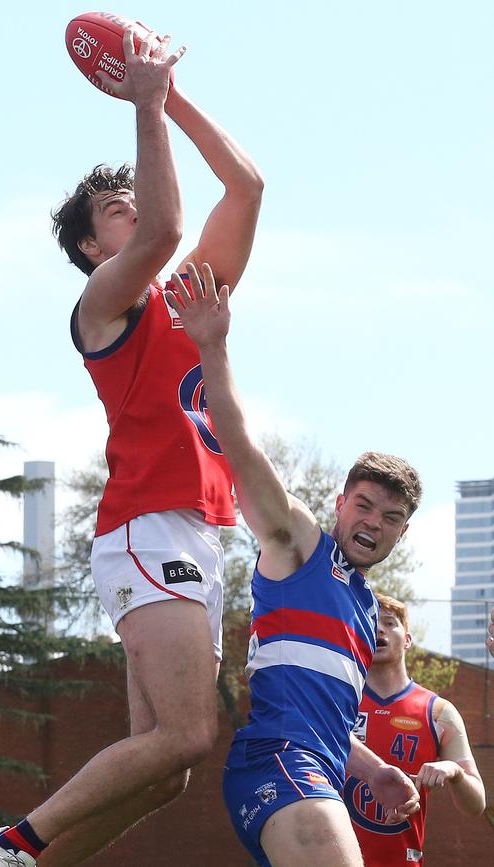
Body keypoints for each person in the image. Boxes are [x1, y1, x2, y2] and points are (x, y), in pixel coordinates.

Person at [0, 24, 263, 867]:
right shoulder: (104, 303)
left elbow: (245, 184)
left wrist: (168, 91)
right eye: (112, 210)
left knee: (165, 768)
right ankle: (9, 843)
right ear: (95, 249)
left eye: (130, 195)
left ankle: (25, 863)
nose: (131, 205)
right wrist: (144, 103)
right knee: (187, 733)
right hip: (147, 526)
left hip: (198, 532)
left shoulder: (184, 296)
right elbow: (165, 225)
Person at [167, 264, 422, 867]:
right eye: (363, 505)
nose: (371, 523)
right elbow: (243, 449)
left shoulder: (364, 609)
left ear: (402, 532)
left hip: (315, 773)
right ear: (340, 503)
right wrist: (212, 345)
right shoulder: (300, 544)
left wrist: (379, 769)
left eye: (389, 518)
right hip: (280, 763)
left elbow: (326, 718)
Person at [343, 593, 486, 865]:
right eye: (371, 623)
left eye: (389, 622)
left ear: (407, 639)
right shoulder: (336, 702)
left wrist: (454, 772)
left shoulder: (439, 712)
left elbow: (476, 805)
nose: (379, 629)